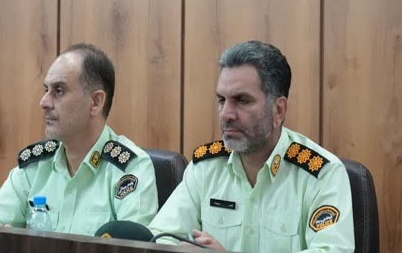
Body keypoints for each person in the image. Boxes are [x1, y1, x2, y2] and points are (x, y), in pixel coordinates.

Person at [149, 40, 354, 252]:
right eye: (222, 100)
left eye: (242, 100)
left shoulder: (322, 174)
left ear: (278, 110)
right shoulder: (205, 168)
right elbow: (158, 238)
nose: (226, 114)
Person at [0, 43, 158, 235]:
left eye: (59, 91)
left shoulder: (130, 168)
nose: (44, 102)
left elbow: (133, 244)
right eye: (46, 90)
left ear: (95, 102)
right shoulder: (36, 165)